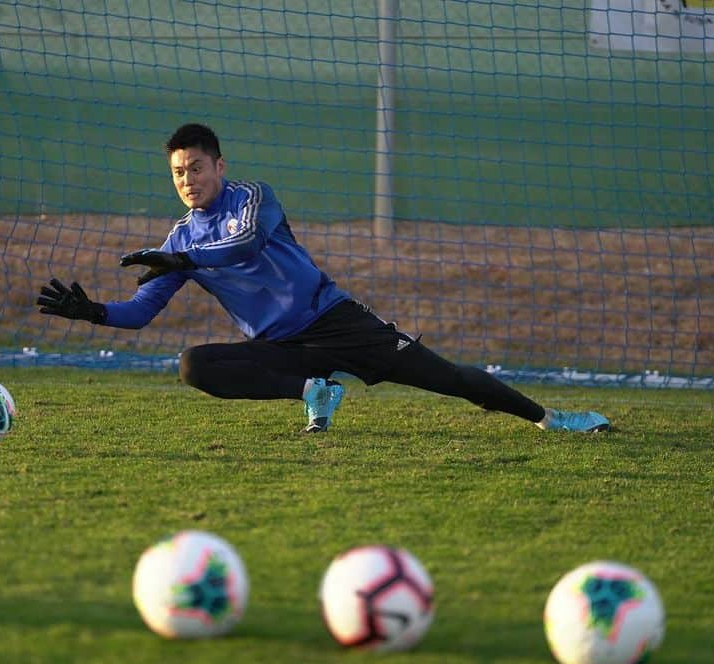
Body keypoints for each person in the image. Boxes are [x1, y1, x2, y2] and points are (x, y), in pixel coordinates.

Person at [37, 123, 610, 434]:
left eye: (196, 168)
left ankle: (554, 419)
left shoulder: (253, 199)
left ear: (219, 165)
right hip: (280, 349)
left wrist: (185, 261)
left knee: (448, 378)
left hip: (336, 322)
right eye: (177, 173)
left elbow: (246, 245)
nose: (186, 180)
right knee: (194, 365)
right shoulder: (178, 240)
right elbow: (141, 310)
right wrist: (95, 312)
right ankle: (313, 392)